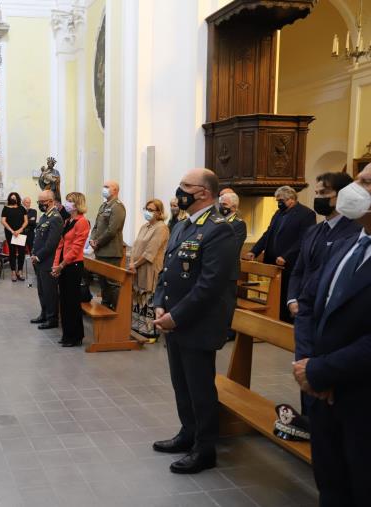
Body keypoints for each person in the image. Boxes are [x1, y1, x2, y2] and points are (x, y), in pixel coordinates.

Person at [291, 165, 371, 506]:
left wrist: (321, 370)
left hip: (360, 398)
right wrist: (308, 364)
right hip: (322, 394)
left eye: (366, 182)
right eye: (358, 179)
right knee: (331, 485)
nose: (355, 187)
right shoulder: (350, 242)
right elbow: (310, 301)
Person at [151, 168, 238, 474]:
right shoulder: (182, 226)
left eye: (186, 186)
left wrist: (177, 316)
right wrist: (160, 304)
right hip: (175, 320)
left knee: (200, 389)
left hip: (198, 323)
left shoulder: (219, 230)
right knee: (181, 385)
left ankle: (205, 448)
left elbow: (210, 285)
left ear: (203, 192)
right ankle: (187, 433)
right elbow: (167, 270)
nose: (179, 189)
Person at [287, 172, 360, 320]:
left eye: (324, 193)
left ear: (343, 195)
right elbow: (299, 269)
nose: (318, 198)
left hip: (334, 313)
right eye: (317, 193)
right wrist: (292, 299)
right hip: (304, 309)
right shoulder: (312, 231)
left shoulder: (356, 231)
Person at [245, 185, 316, 321]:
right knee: (276, 294)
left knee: (287, 293)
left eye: (281, 200)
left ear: (291, 199)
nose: (279, 203)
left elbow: (304, 239)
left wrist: (286, 256)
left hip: (290, 263)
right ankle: (275, 318)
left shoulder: (306, 214)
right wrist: (254, 251)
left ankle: (286, 320)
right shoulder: (278, 214)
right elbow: (268, 234)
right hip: (273, 261)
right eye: (277, 200)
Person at [52, 192, 90, 347]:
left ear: (77, 204)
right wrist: (56, 264)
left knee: (72, 302)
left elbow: (76, 248)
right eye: (66, 201)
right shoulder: (68, 221)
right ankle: (67, 334)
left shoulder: (82, 222)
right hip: (63, 265)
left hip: (73, 265)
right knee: (64, 301)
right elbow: (60, 245)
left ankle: (75, 336)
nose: (66, 204)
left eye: (69, 201)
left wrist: (62, 265)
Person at [129, 199, 170, 341]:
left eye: (151, 210)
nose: (148, 212)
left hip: (150, 268)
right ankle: (137, 328)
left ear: (159, 212)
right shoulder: (145, 226)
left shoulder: (161, 228)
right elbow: (135, 247)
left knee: (148, 298)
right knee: (138, 297)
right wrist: (132, 262)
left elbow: (150, 252)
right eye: (146, 208)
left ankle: (150, 332)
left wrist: (135, 264)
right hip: (138, 268)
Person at [89, 180, 126, 309]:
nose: (103, 189)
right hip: (100, 251)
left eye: (106, 187)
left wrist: (97, 242)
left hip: (111, 252)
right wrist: (92, 239)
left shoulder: (118, 207)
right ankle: (105, 306)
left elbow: (112, 230)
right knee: (102, 282)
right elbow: (96, 226)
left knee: (112, 282)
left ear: (115, 190)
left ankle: (116, 310)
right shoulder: (103, 206)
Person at [31, 190, 64, 330]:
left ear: (50, 201)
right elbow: (39, 238)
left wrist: (38, 256)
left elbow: (51, 244)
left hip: (48, 260)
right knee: (42, 290)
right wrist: (34, 254)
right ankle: (44, 314)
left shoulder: (55, 218)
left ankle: (52, 319)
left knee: (50, 291)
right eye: (39, 202)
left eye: (42, 202)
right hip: (39, 260)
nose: (40, 204)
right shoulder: (44, 216)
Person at [1, 192, 28, 281]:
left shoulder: (22, 208)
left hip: (20, 232)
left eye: (14, 197)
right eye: (11, 197)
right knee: (12, 252)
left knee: (21, 252)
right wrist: (12, 231)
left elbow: (26, 221)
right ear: (9, 199)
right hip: (10, 233)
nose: (13, 199)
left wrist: (20, 230)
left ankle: (19, 271)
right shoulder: (5, 208)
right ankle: (13, 271)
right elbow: (3, 221)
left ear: (17, 199)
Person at [218, 191, 247, 275]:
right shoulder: (218, 220)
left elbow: (233, 247)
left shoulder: (239, 224)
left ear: (234, 207)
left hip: (228, 268)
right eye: (220, 204)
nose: (221, 207)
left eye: (224, 205)